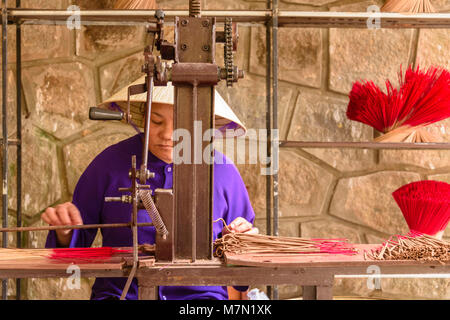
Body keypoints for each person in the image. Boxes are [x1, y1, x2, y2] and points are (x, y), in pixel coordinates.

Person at [41, 79, 258, 300]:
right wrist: (65, 232)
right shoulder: (108, 164)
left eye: (181, 123)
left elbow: (241, 280)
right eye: (156, 121)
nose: (167, 134)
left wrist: (243, 243)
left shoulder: (222, 171)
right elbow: (71, 256)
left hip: (200, 299)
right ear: (143, 118)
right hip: (122, 294)